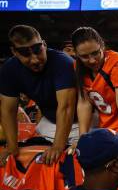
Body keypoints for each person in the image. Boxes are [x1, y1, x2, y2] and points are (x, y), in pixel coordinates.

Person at [0, 25, 78, 166]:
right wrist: (11, 147)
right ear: (14, 52)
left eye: (38, 50)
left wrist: (58, 146)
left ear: (44, 44)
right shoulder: (8, 69)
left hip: (83, 122)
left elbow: (66, 108)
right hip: (49, 123)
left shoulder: (63, 62)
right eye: (26, 54)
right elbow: (8, 110)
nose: (35, 59)